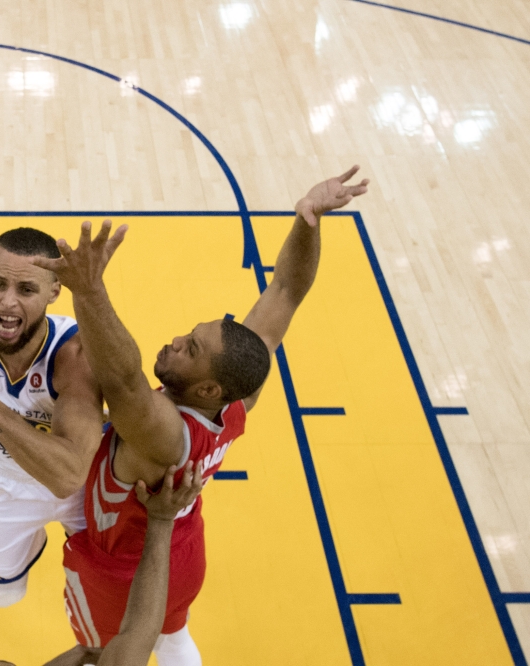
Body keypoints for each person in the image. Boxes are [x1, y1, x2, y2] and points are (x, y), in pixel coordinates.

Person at [32, 167, 370, 664]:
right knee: (172, 630)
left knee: (99, 651)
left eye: (189, 348)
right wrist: (308, 220)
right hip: (183, 546)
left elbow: (123, 379)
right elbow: (285, 293)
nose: (173, 342)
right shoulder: (236, 398)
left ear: (207, 386)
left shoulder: (164, 435)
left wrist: (89, 291)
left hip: (124, 567)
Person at [0, 228, 104, 607]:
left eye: (26, 290)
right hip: (4, 477)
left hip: (81, 481)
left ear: (54, 291)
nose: (8, 302)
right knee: (1, 596)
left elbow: (68, 476)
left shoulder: (75, 353)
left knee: (108, 587)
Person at [0, 462, 203, 666]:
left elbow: (92, 652)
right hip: (160, 551)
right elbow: (137, 632)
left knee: (174, 634)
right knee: (173, 633)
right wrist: (161, 520)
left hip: (166, 550)